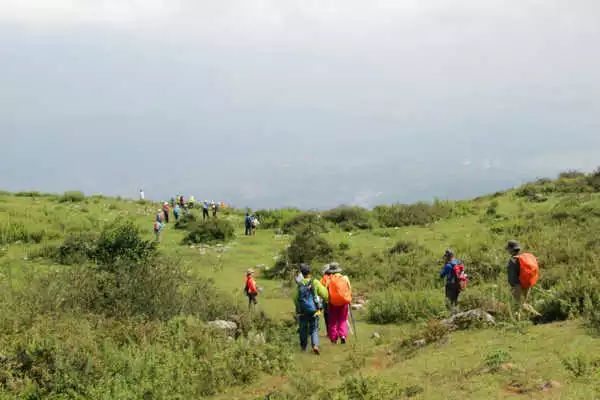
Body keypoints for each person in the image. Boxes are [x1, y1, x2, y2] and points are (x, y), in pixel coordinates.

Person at [294, 264, 328, 355]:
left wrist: (298, 308)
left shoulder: (300, 284)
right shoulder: (315, 282)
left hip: (303, 311)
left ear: (302, 273)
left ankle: (303, 347)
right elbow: (325, 294)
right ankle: (315, 345)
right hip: (315, 310)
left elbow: (295, 298)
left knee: (303, 328)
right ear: (310, 272)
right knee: (314, 328)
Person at [324, 263, 351, 344]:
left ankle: (334, 338)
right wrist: (349, 299)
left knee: (332, 321)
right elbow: (349, 288)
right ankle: (342, 335)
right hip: (343, 302)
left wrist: (327, 301)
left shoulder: (329, 280)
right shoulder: (345, 278)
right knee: (342, 319)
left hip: (333, 303)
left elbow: (326, 292)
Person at [439, 249, 463, 314]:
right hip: (459, 284)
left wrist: (443, 267)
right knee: (456, 300)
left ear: (447, 257)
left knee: (449, 301)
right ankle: (457, 313)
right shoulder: (458, 262)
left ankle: (450, 315)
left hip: (450, 285)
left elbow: (441, 275)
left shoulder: (448, 265)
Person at [320, 264, 334, 337]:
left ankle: (329, 332)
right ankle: (337, 332)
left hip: (326, 300)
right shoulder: (335, 277)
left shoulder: (323, 278)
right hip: (335, 300)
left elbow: (320, 291)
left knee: (327, 316)